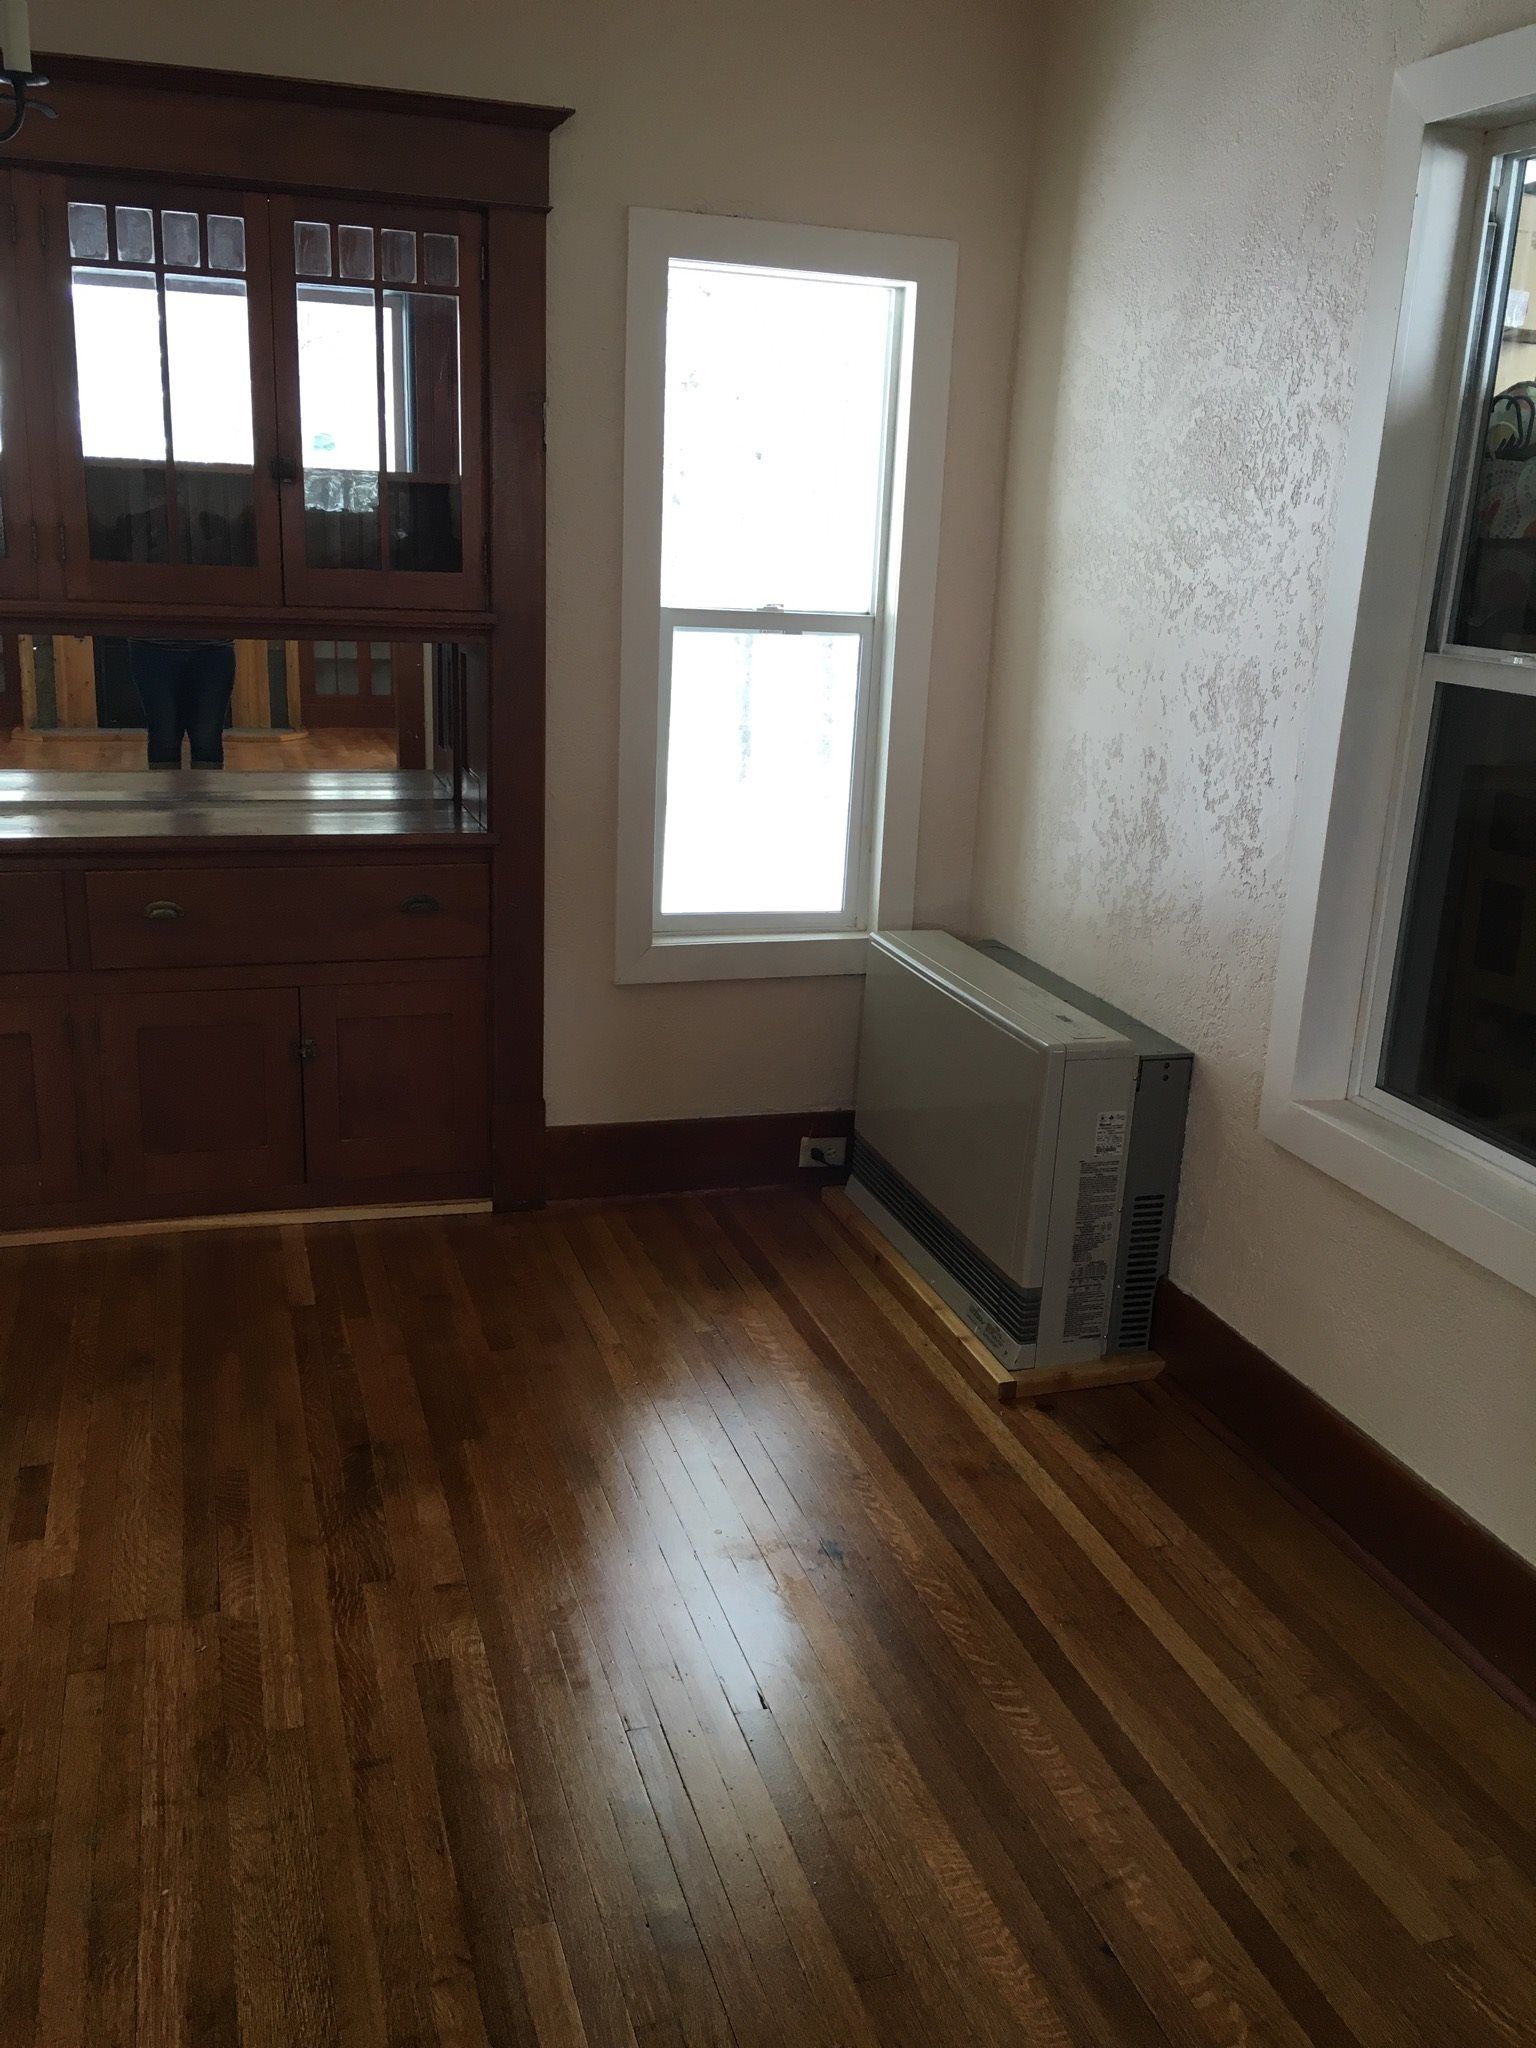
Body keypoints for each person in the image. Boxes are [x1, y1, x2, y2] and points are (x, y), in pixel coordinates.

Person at [127, 637, 237, 769]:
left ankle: (209, 789)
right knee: (164, 736)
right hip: (151, 645)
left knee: (207, 737)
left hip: (215, 646)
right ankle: (161, 788)